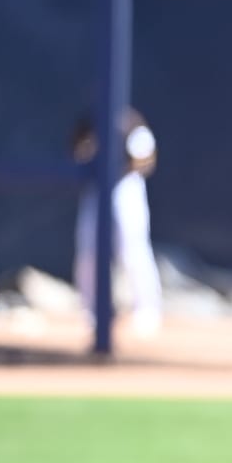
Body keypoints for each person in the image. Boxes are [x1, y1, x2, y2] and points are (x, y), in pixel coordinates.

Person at [72, 107, 164, 338]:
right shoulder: (91, 119)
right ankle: (91, 309)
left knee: (131, 249)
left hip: (126, 186)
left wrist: (125, 163)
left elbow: (146, 159)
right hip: (98, 186)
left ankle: (146, 309)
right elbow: (76, 149)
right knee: (88, 251)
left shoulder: (131, 122)